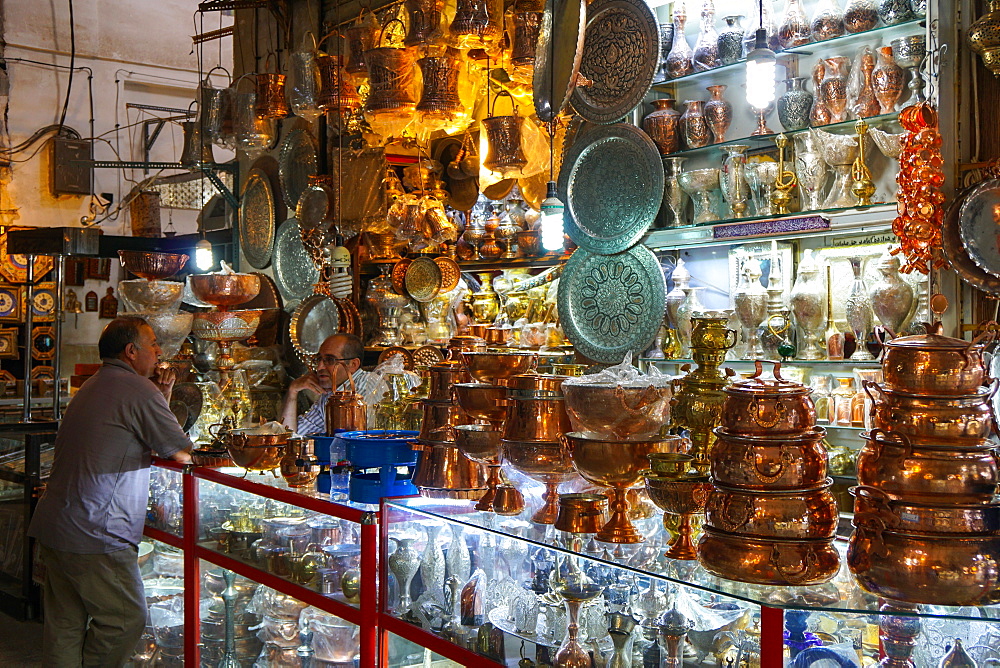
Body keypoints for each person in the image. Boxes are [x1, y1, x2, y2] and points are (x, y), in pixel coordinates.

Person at [28, 316, 193, 668]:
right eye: (152, 344)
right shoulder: (138, 388)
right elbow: (180, 452)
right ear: (131, 351)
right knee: (124, 620)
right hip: (96, 532)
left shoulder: (94, 384)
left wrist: (161, 396)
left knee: (65, 627)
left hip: (56, 525)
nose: (159, 352)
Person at [281, 332, 383, 435]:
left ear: (353, 364)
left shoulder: (366, 385)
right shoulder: (330, 393)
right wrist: (293, 390)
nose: (320, 367)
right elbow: (290, 436)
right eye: (319, 359)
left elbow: (346, 441)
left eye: (330, 360)